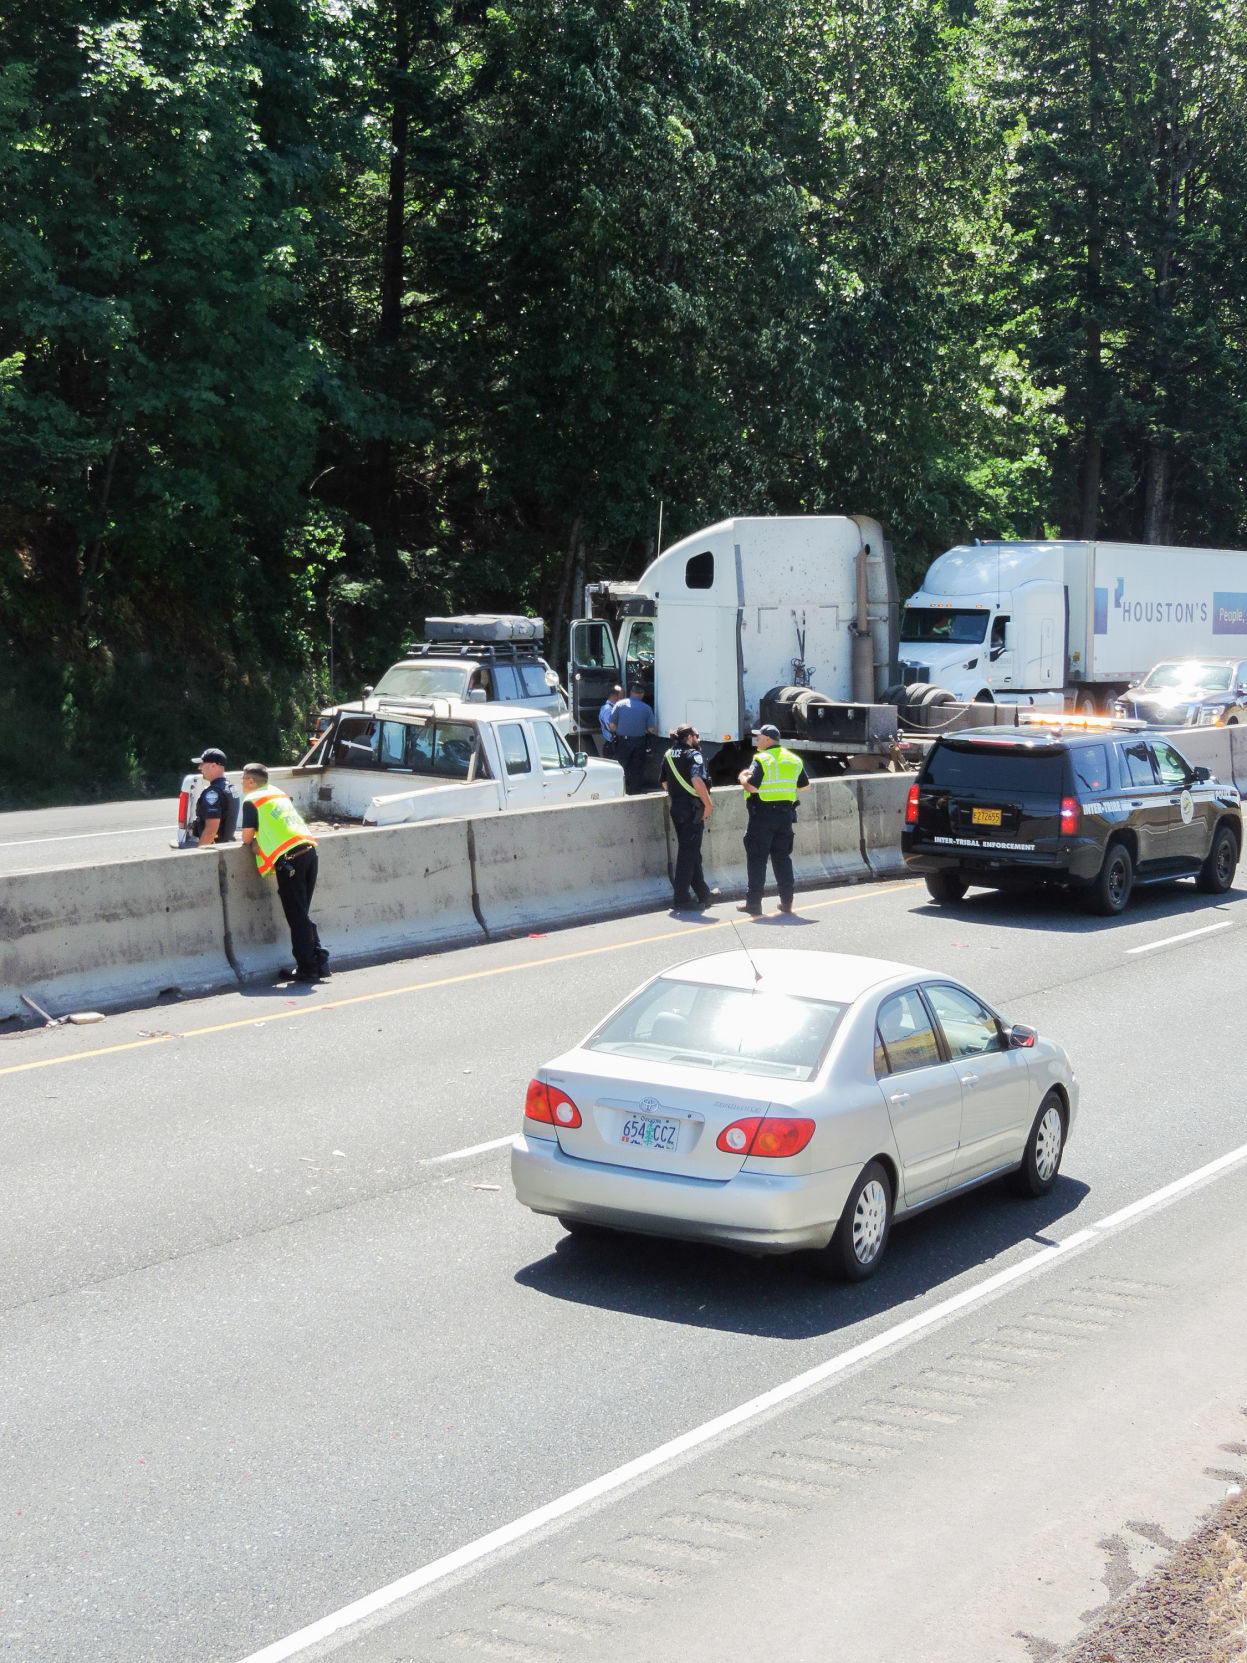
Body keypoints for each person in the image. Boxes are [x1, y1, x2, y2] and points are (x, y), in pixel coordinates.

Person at [239, 763, 329, 983]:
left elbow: (246, 838)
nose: (241, 782)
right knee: (302, 913)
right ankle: (319, 962)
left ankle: (308, 968)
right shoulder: (278, 794)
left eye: (243, 778)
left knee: (296, 916)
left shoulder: (252, 800)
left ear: (251, 781)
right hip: (309, 851)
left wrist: (256, 844)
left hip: (290, 860)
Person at [736, 723, 810, 916]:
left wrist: (742, 777)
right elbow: (805, 785)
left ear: (768, 739)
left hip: (762, 815)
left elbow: (752, 787)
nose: (757, 740)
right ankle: (787, 902)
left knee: (757, 859)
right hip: (785, 816)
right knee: (782, 859)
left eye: (759, 737)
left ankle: (753, 904)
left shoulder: (761, 759)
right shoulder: (793, 759)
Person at [660, 724, 716, 910]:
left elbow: (665, 783)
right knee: (687, 854)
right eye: (697, 736)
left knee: (692, 852)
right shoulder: (694, 755)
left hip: (677, 808)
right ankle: (681, 898)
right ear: (690, 737)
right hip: (692, 810)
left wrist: (680, 794)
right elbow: (697, 779)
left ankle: (703, 893)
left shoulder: (669, 754)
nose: (699, 739)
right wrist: (707, 803)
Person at [610, 682, 657, 794]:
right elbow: (651, 729)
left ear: (631, 693)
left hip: (622, 741)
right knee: (636, 768)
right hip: (639, 742)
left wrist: (621, 730)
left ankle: (618, 791)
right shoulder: (647, 708)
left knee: (620, 767)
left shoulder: (619, 705)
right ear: (642, 694)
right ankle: (635, 792)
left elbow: (611, 725)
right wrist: (642, 730)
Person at [191, 748, 240, 847]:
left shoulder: (213, 793)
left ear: (213, 766)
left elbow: (211, 831)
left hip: (217, 849)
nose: (199, 767)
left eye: (202, 764)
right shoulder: (230, 788)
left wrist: (198, 851)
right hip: (227, 845)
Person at [598, 685, 623, 756]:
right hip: (613, 746)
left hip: (619, 745)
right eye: (622, 696)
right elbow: (611, 727)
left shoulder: (616, 708)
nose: (624, 699)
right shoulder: (607, 709)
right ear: (615, 696)